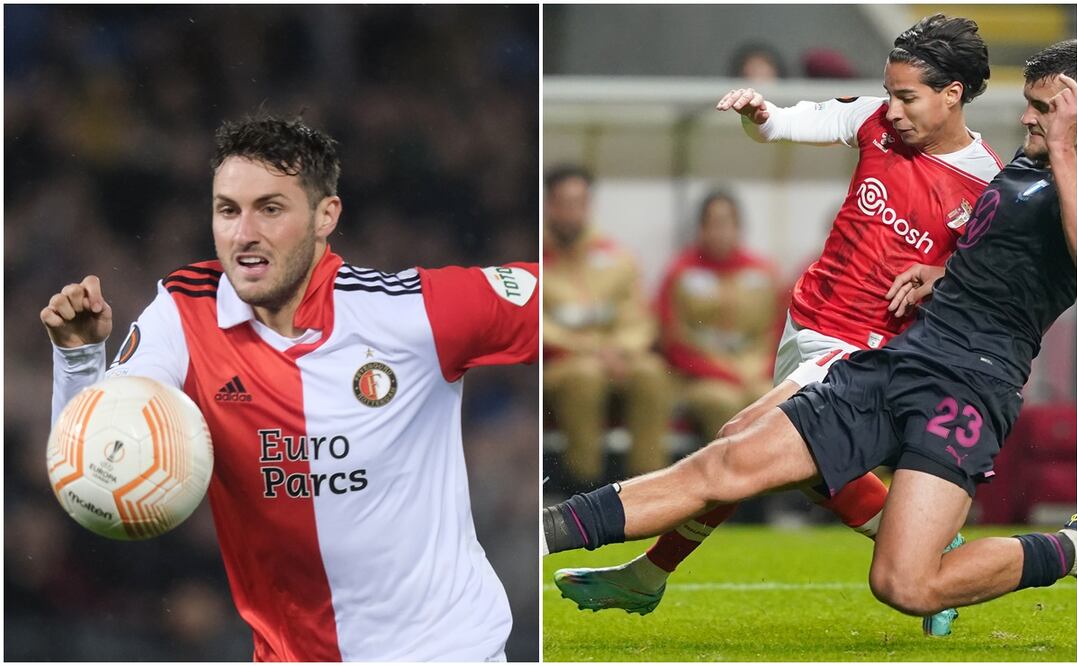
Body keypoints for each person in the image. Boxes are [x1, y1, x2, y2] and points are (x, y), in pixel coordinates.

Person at [545, 39, 1077, 628]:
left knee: (747, 446)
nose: (1028, 116)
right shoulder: (1007, 160)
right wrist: (941, 269)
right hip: (881, 350)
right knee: (762, 465)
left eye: (1044, 108)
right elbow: (996, 248)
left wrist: (1063, 151)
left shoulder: (1018, 169)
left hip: (930, 365)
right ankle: (561, 541)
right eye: (1031, 104)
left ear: (951, 96)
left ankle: (1063, 549)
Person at [41, 116, 539, 661]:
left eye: (270, 209)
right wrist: (79, 357)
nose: (243, 233)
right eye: (228, 210)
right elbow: (90, 470)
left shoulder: (412, 312)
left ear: (326, 216)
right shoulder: (184, 313)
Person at [543, 165, 673, 489]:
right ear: (549, 204)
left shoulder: (617, 256)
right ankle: (583, 486)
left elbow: (639, 319)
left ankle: (647, 485)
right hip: (561, 364)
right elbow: (537, 323)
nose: (572, 212)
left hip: (618, 357)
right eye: (564, 203)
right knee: (585, 376)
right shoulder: (535, 257)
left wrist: (621, 349)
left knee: (652, 372)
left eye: (580, 202)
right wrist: (594, 351)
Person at [656, 189, 780, 439]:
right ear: (701, 228)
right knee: (723, 403)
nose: (721, 232)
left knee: (772, 401)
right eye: (714, 224)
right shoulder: (681, 272)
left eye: (728, 223)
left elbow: (777, 331)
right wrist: (722, 373)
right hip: (701, 378)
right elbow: (672, 338)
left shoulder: (762, 272)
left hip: (755, 371)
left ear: (739, 227)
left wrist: (761, 370)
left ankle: (772, 478)